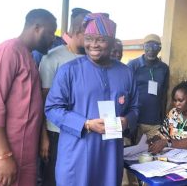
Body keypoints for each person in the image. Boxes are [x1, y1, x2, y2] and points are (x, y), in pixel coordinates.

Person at [45, 13, 138, 186]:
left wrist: (127, 121)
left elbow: (135, 107)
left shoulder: (125, 73)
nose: (93, 45)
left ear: (111, 42)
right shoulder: (69, 71)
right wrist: (86, 124)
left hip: (110, 154)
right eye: (89, 38)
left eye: (100, 40)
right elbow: (52, 108)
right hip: (77, 152)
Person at [0, 9, 57, 186]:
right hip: (2, 154)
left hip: (23, 153)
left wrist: (42, 137)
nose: (52, 39)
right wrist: (4, 155)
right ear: (37, 27)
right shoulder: (7, 52)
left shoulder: (28, 56)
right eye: (50, 33)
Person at [39, 7, 91, 186]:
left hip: (84, 131)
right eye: (89, 35)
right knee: (54, 179)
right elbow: (43, 101)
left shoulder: (93, 60)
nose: (93, 41)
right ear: (78, 32)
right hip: (56, 132)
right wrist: (43, 137)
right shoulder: (53, 58)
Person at [148, 80, 187, 154]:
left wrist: (167, 143)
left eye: (180, 101)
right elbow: (162, 134)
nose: (176, 104)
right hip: (173, 156)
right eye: (175, 100)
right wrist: (153, 141)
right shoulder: (173, 113)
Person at [127, 34, 169, 142]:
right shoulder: (133, 65)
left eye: (155, 46)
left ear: (160, 48)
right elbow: (127, 92)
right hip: (136, 120)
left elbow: (164, 95)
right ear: (143, 47)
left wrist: (163, 119)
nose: (150, 49)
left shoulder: (164, 68)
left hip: (155, 122)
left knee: (153, 153)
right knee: (134, 153)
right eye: (147, 46)